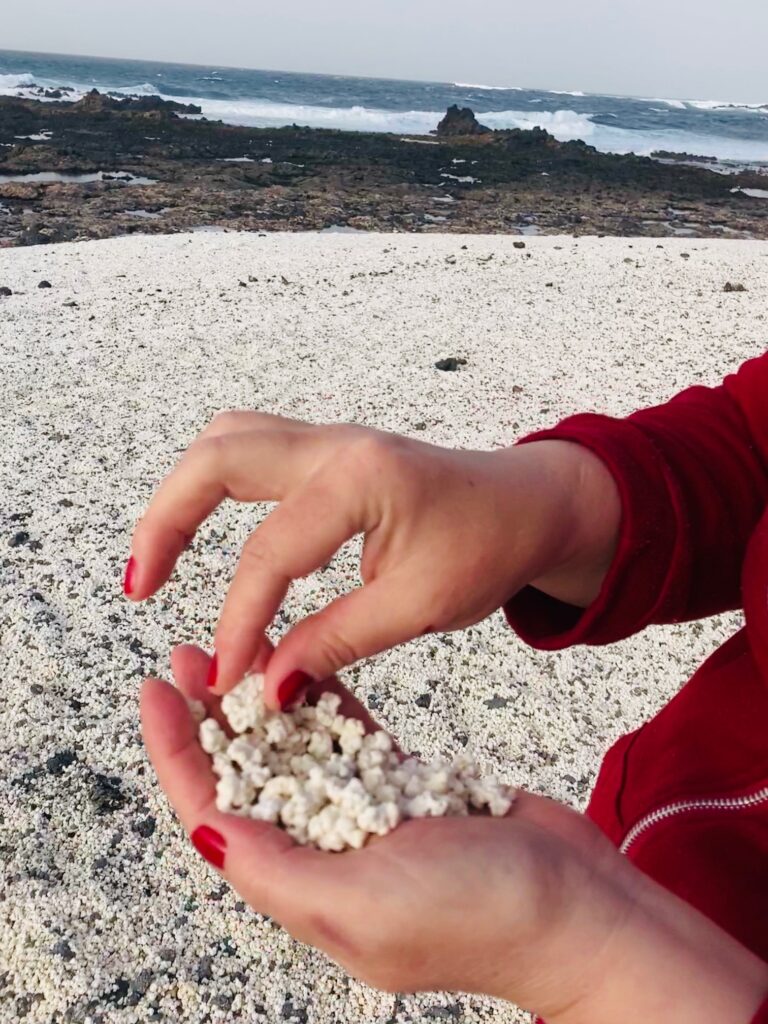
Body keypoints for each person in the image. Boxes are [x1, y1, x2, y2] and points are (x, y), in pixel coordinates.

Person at [128, 353, 768, 1023]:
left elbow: (592, 954)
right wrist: (549, 503)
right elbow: (756, 438)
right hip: (653, 829)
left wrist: (594, 961)